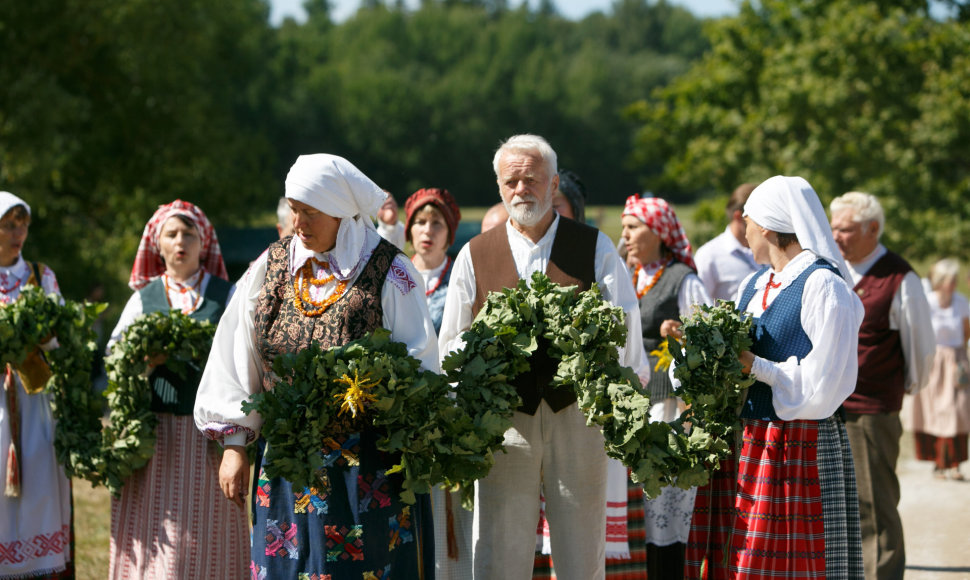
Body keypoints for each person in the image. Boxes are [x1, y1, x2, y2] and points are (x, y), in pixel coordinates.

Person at [194, 154, 438, 578]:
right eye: (294, 210)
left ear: (343, 214)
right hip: (289, 466)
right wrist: (234, 444)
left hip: (369, 469)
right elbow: (238, 352)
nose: (299, 222)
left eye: (310, 212)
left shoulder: (390, 270)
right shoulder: (268, 268)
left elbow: (420, 364)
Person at [438, 134, 648, 580]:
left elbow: (626, 330)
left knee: (580, 545)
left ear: (554, 185)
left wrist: (619, 402)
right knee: (498, 545)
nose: (521, 190)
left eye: (532, 179)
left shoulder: (595, 248)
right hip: (504, 420)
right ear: (498, 187)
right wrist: (484, 355)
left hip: (577, 415)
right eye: (511, 181)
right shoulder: (475, 255)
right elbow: (450, 345)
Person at [686, 175, 865, 579]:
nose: (742, 230)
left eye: (746, 220)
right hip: (754, 440)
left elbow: (828, 382)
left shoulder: (822, 285)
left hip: (802, 444)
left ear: (766, 225)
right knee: (748, 562)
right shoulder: (754, 283)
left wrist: (758, 367)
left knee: (803, 564)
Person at [106, 199, 247, 579]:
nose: (180, 241)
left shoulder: (225, 295)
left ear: (204, 244)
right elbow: (115, 358)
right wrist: (144, 361)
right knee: (158, 533)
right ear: (158, 245)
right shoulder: (144, 299)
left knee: (203, 535)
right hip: (155, 437)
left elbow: (241, 358)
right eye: (172, 234)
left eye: (189, 233)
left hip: (208, 438)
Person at [829, 191, 934, 580]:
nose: (837, 236)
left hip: (872, 411)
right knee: (837, 507)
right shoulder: (833, 270)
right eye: (833, 228)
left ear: (873, 229)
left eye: (846, 229)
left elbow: (921, 348)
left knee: (875, 506)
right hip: (830, 408)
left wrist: (893, 394)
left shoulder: (900, 277)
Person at [617, 194, 711, 580]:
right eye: (623, 227)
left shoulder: (682, 281)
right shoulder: (624, 276)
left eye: (633, 227)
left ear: (658, 232)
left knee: (667, 501)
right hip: (632, 407)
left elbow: (706, 340)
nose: (625, 235)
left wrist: (682, 336)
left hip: (670, 407)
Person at [0, 192, 74, 579]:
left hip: (33, 395)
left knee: (39, 481)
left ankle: (38, 567)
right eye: (9, 224)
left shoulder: (40, 276)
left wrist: (44, 334)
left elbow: (60, 338)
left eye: (22, 224)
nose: (18, 233)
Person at [401, 187, 470, 577]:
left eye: (437, 223)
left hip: (451, 413)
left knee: (450, 520)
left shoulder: (460, 277)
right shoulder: (395, 274)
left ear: (450, 232)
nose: (428, 231)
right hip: (403, 416)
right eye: (420, 222)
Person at [910, 258, 970, 481]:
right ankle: (938, 462)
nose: (954, 283)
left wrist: (959, 357)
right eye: (950, 279)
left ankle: (954, 464)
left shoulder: (961, 302)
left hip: (956, 359)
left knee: (957, 411)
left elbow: (966, 331)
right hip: (934, 361)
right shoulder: (929, 302)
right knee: (934, 411)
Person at [693, 183, 759, 302]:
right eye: (758, 218)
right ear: (739, 217)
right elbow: (698, 306)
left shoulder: (769, 248)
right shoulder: (709, 255)